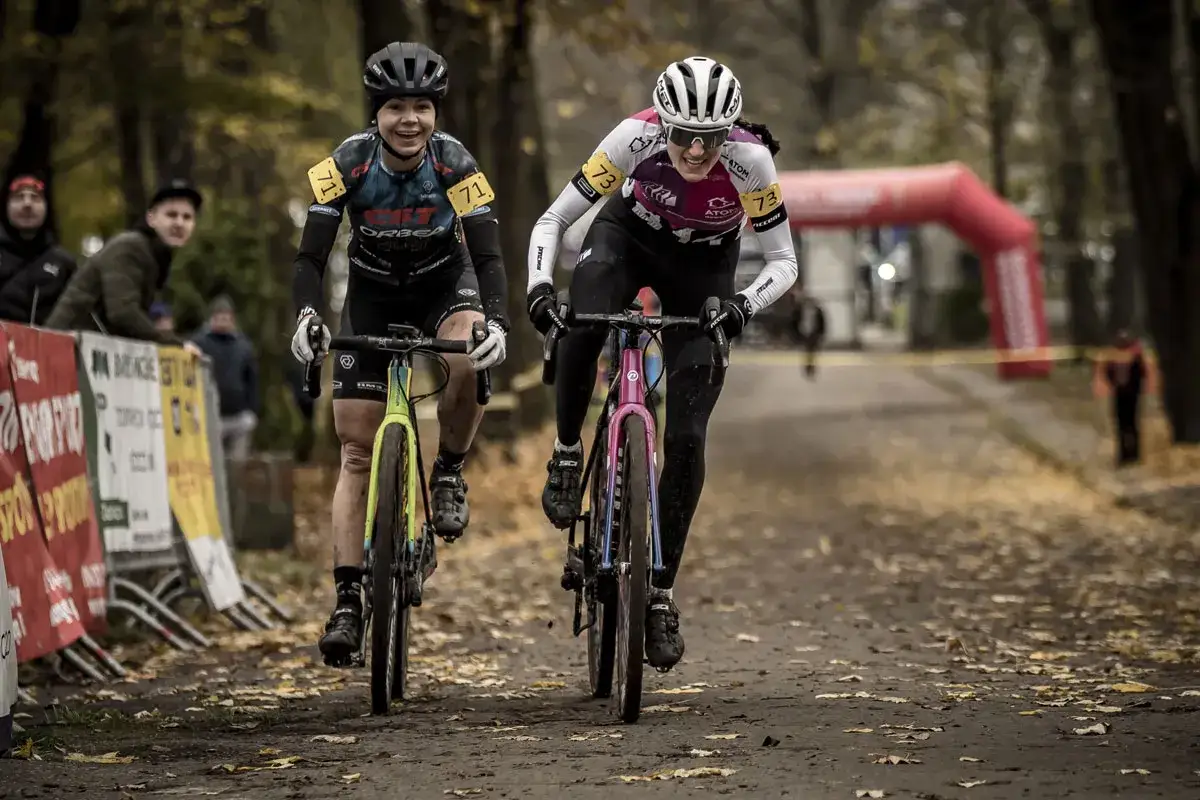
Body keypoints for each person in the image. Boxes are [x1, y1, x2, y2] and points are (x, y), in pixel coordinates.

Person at [526, 56, 798, 671]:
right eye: (683, 136)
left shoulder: (751, 162)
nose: (697, 152)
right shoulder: (633, 137)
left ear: (730, 131)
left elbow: (784, 262)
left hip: (703, 269)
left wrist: (740, 308)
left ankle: (659, 595)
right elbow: (556, 218)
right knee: (582, 320)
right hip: (629, 240)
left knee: (687, 438)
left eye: (711, 138)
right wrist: (540, 288)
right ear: (663, 124)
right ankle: (568, 454)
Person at [289, 42, 509, 666]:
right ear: (376, 113)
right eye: (395, 107)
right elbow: (309, 258)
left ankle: (448, 471)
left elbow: (489, 256)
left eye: (421, 106)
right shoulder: (346, 163)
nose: (409, 119)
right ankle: (350, 599)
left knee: (467, 357)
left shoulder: (458, 163)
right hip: (373, 293)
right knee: (356, 449)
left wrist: (495, 321)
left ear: (435, 112)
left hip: (446, 281)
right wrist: (306, 316)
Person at [45, 179, 203, 356]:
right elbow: (122, 313)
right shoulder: (130, 247)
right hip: (63, 350)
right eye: (171, 215)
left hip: (88, 351)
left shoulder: (156, 256)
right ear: (151, 218)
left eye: (187, 217)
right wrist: (175, 344)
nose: (179, 223)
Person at [0, 174, 78, 326]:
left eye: (35, 198)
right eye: (18, 198)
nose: (27, 204)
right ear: (6, 207)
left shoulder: (64, 262)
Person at [191, 295, 259, 459]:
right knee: (213, 461)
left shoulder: (243, 346)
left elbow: (252, 379)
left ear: (232, 319)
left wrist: (253, 411)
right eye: (219, 317)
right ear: (212, 318)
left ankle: (236, 485)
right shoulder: (199, 343)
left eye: (226, 317)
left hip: (239, 415)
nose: (222, 321)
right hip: (212, 415)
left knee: (237, 462)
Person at [1093, 329, 1156, 467]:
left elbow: (1142, 373)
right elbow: (1108, 372)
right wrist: (1112, 385)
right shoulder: (1113, 357)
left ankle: (1134, 454)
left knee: (1131, 425)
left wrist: (1140, 388)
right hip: (1120, 395)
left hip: (1132, 395)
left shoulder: (1136, 356)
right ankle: (1123, 455)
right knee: (1122, 426)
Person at [790, 286, 826, 379]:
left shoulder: (817, 311)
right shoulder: (799, 310)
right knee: (806, 352)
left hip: (814, 333)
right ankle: (808, 368)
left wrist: (821, 334)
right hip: (804, 333)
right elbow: (794, 322)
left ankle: (811, 368)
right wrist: (795, 334)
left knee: (812, 352)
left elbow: (822, 322)